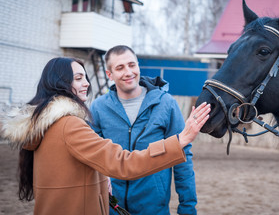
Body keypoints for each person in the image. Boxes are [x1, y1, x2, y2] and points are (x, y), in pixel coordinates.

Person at [0, 57, 210, 215]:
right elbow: (123, 163)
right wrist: (180, 140)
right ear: (60, 82)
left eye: (86, 77)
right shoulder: (70, 125)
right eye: (79, 78)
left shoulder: (44, 124)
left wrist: (101, 176)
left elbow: (75, 170)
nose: (87, 84)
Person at [90, 45, 198, 215]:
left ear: (138, 66)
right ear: (109, 74)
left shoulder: (166, 104)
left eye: (132, 65)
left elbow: (182, 158)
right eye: (120, 67)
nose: (128, 72)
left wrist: (188, 208)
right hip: (111, 208)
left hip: (154, 208)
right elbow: (93, 159)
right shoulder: (98, 108)